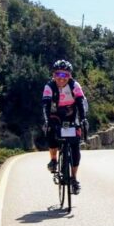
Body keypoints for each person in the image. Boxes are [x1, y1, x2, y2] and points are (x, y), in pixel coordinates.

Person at [42, 59, 88, 195]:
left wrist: (83, 119)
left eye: (65, 75)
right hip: (56, 115)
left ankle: (74, 178)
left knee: (75, 147)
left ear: (70, 76)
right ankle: (53, 160)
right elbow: (45, 106)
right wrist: (46, 120)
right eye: (58, 74)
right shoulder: (49, 86)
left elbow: (80, 103)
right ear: (53, 75)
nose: (61, 78)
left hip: (71, 114)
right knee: (51, 131)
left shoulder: (75, 85)